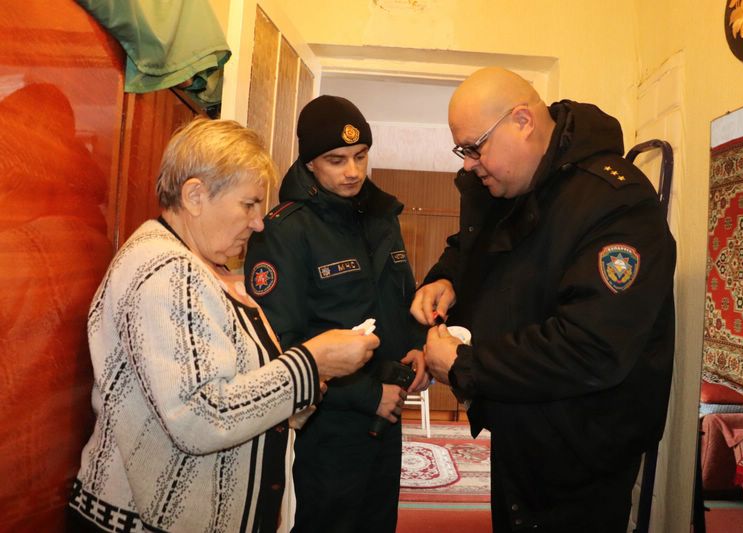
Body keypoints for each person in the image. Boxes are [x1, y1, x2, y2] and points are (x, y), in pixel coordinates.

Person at [67, 117, 378, 533]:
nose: (258, 222)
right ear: (195, 195)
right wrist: (310, 364)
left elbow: (222, 387)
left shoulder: (196, 265)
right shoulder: (168, 270)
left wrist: (293, 397)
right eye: (249, 204)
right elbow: (199, 416)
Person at [412, 67, 676, 533]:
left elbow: (591, 347)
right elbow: (474, 244)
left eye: (475, 147)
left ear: (522, 121)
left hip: (579, 453)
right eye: (462, 151)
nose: (469, 164)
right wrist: (447, 277)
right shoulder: (515, 183)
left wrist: (464, 364)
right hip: (521, 426)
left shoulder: (616, 204)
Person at [245, 95, 427, 533]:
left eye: (360, 156)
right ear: (310, 162)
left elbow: (401, 296)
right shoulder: (284, 230)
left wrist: (417, 347)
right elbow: (278, 345)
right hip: (330, 419)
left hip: (389, 409)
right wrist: (367, 396)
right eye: (336, 160)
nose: (353, 171)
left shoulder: (382, 216)